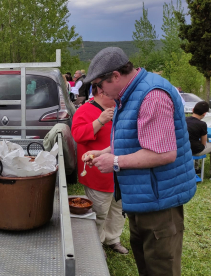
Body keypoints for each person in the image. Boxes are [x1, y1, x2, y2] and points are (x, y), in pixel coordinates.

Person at [82, 47, 196, 275]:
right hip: (142, 200)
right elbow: (133, 141)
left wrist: (115, 162)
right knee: (146, 266)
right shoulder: (130, 94)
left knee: (160, 268)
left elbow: (163, 153)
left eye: (99, 85)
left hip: (158, 205)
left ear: (115, 75)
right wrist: (104, 152)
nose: (99, 91)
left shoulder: (152, 95)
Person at [72, 84, 128, 255]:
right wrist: (100, 121)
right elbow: (78, 135)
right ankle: (97, 243)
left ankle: (113, 239)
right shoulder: (84, 110)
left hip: (121, 170)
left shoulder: (120, 107)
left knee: (118, 210)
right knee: (99, 211)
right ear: (100, 91)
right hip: (98, 173)